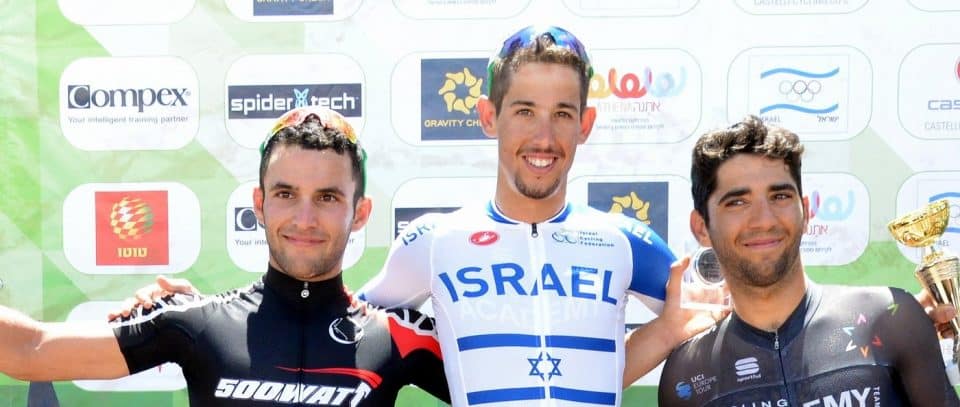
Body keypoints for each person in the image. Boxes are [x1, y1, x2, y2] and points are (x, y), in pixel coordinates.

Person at [0, 106, 450, 406]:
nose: (305, 218)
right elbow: (29, 350)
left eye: (327, 197)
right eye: (286, 194)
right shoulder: (194, 322)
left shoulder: (399, 335)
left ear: (361, 213)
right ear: (259, 204)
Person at [356, 25, 701, 406]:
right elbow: (339, 327)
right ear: (489, 116)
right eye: (525, 112)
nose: (544, 138)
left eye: (562, 114)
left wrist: (667, 332)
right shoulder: (435, 240)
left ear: (585, 124)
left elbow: (714, 314)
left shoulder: (623, 241)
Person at [657, 115, 960, 406]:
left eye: (780, 197)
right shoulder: (686, 375)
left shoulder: (891, 318)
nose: (764, 220)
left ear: (805, 213)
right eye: (737, 202)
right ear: (701, 227)